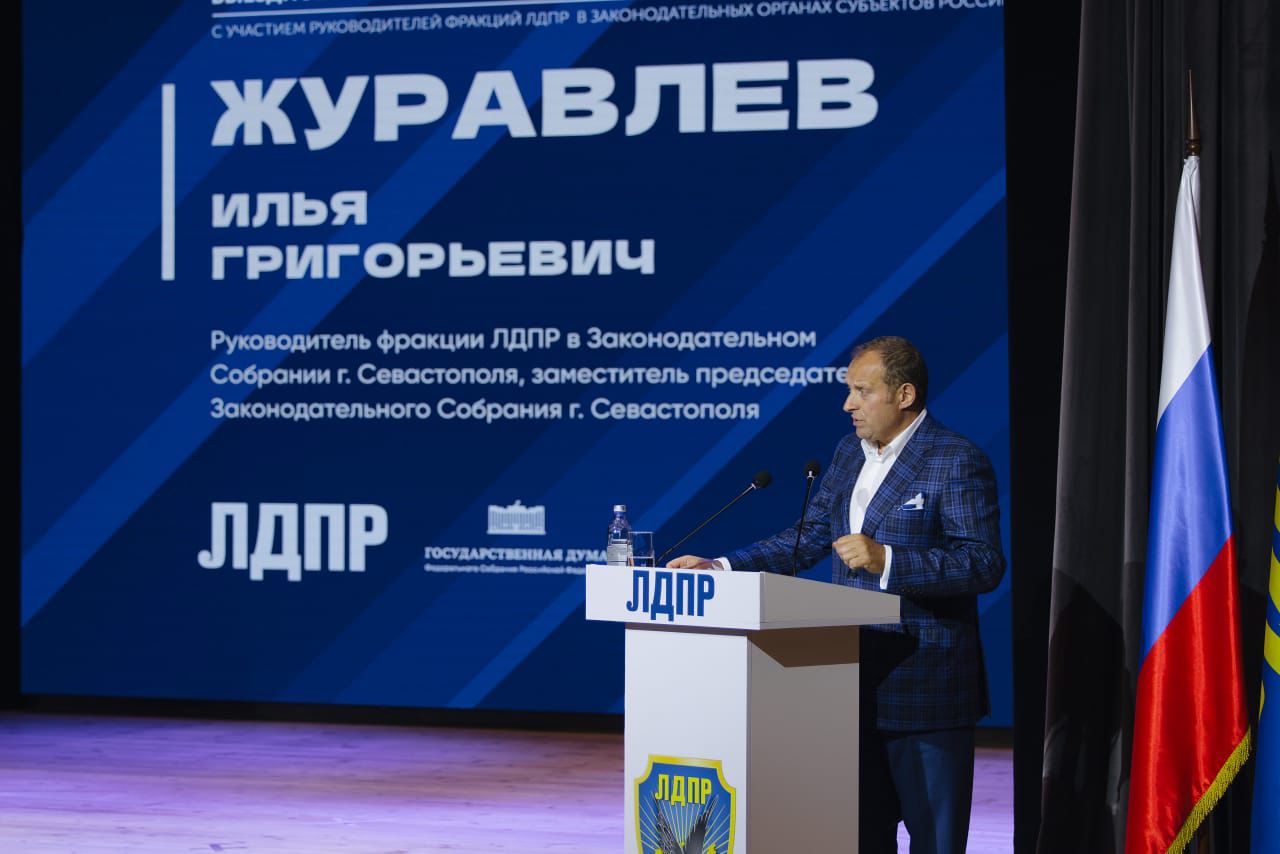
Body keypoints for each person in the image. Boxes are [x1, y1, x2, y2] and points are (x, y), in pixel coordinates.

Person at [669, 335, 1005, 854]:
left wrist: (888, 559)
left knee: (934, 841)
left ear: (905, 394)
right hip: (846, 680)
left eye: (862, 391)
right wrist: (722, 566)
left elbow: (982, 563)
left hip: (924, 686)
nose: (848, 404)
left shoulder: (954, 458)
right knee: (857, 837)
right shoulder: (849, 453)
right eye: (849, 390)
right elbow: (807, 537)